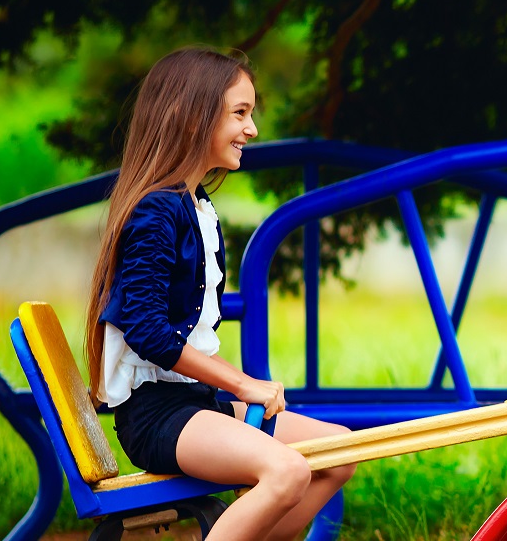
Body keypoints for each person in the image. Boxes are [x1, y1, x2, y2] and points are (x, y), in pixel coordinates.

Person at [83, 47, 356, 541]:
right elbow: (147, 331)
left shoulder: (196, 205)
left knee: (337, 452)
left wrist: (227, 389)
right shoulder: (156, 213)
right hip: (159, 415)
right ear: (192, 118)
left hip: (197, 404)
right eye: (240, 113)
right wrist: (243, 383)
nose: (252, 129)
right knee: (287, 471)